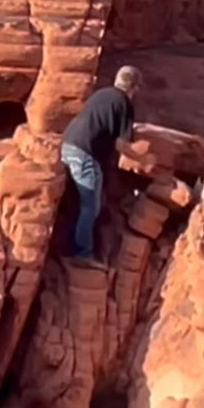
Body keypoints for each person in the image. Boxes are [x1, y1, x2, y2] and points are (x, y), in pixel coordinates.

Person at [61, 65, 142, 266]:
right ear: (135, 88)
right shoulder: (124, 102)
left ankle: (65, 247)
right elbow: (122, 144)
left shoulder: (101, 94)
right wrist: (142, 158)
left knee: (76, 203)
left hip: (68, 145)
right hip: (85, 155)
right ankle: (82, 255)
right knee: (91, 207)